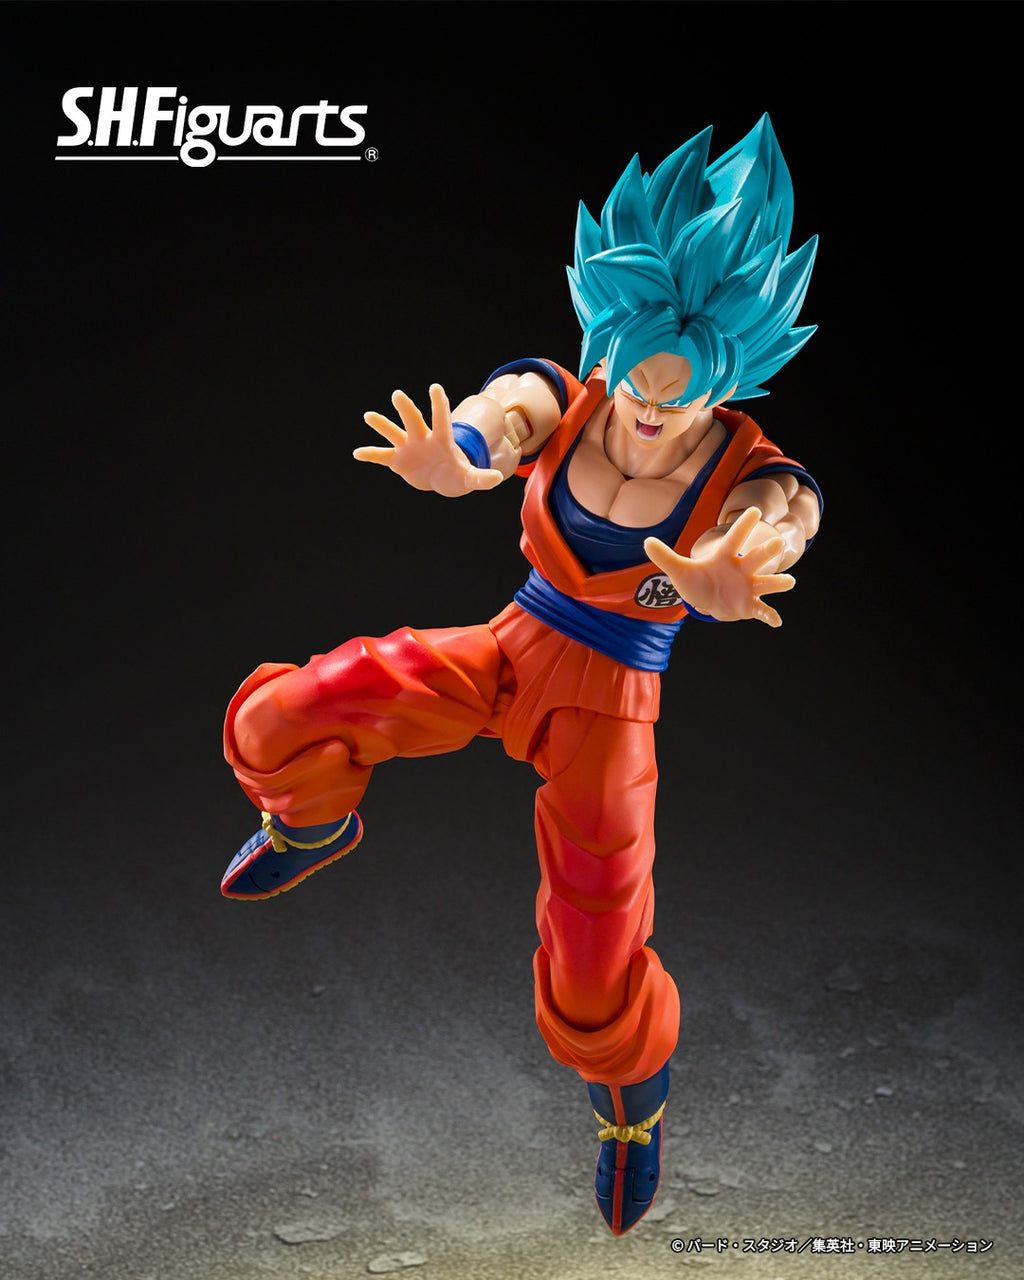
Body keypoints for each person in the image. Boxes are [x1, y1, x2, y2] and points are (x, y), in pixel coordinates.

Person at [220, 114, 821, 1236]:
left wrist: (737, 571)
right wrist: (457, 457)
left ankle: (632, 1115)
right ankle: (311, 826)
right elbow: (503, 417)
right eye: (634, 376)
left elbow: (779, 518)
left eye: (681, 391)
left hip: (609, 707)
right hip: (507, 650)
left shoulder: (750, 470)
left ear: (731, 372)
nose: (649, 407)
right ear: (609, 336)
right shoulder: (571, 394)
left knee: (593, 965)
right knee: (286, 714)